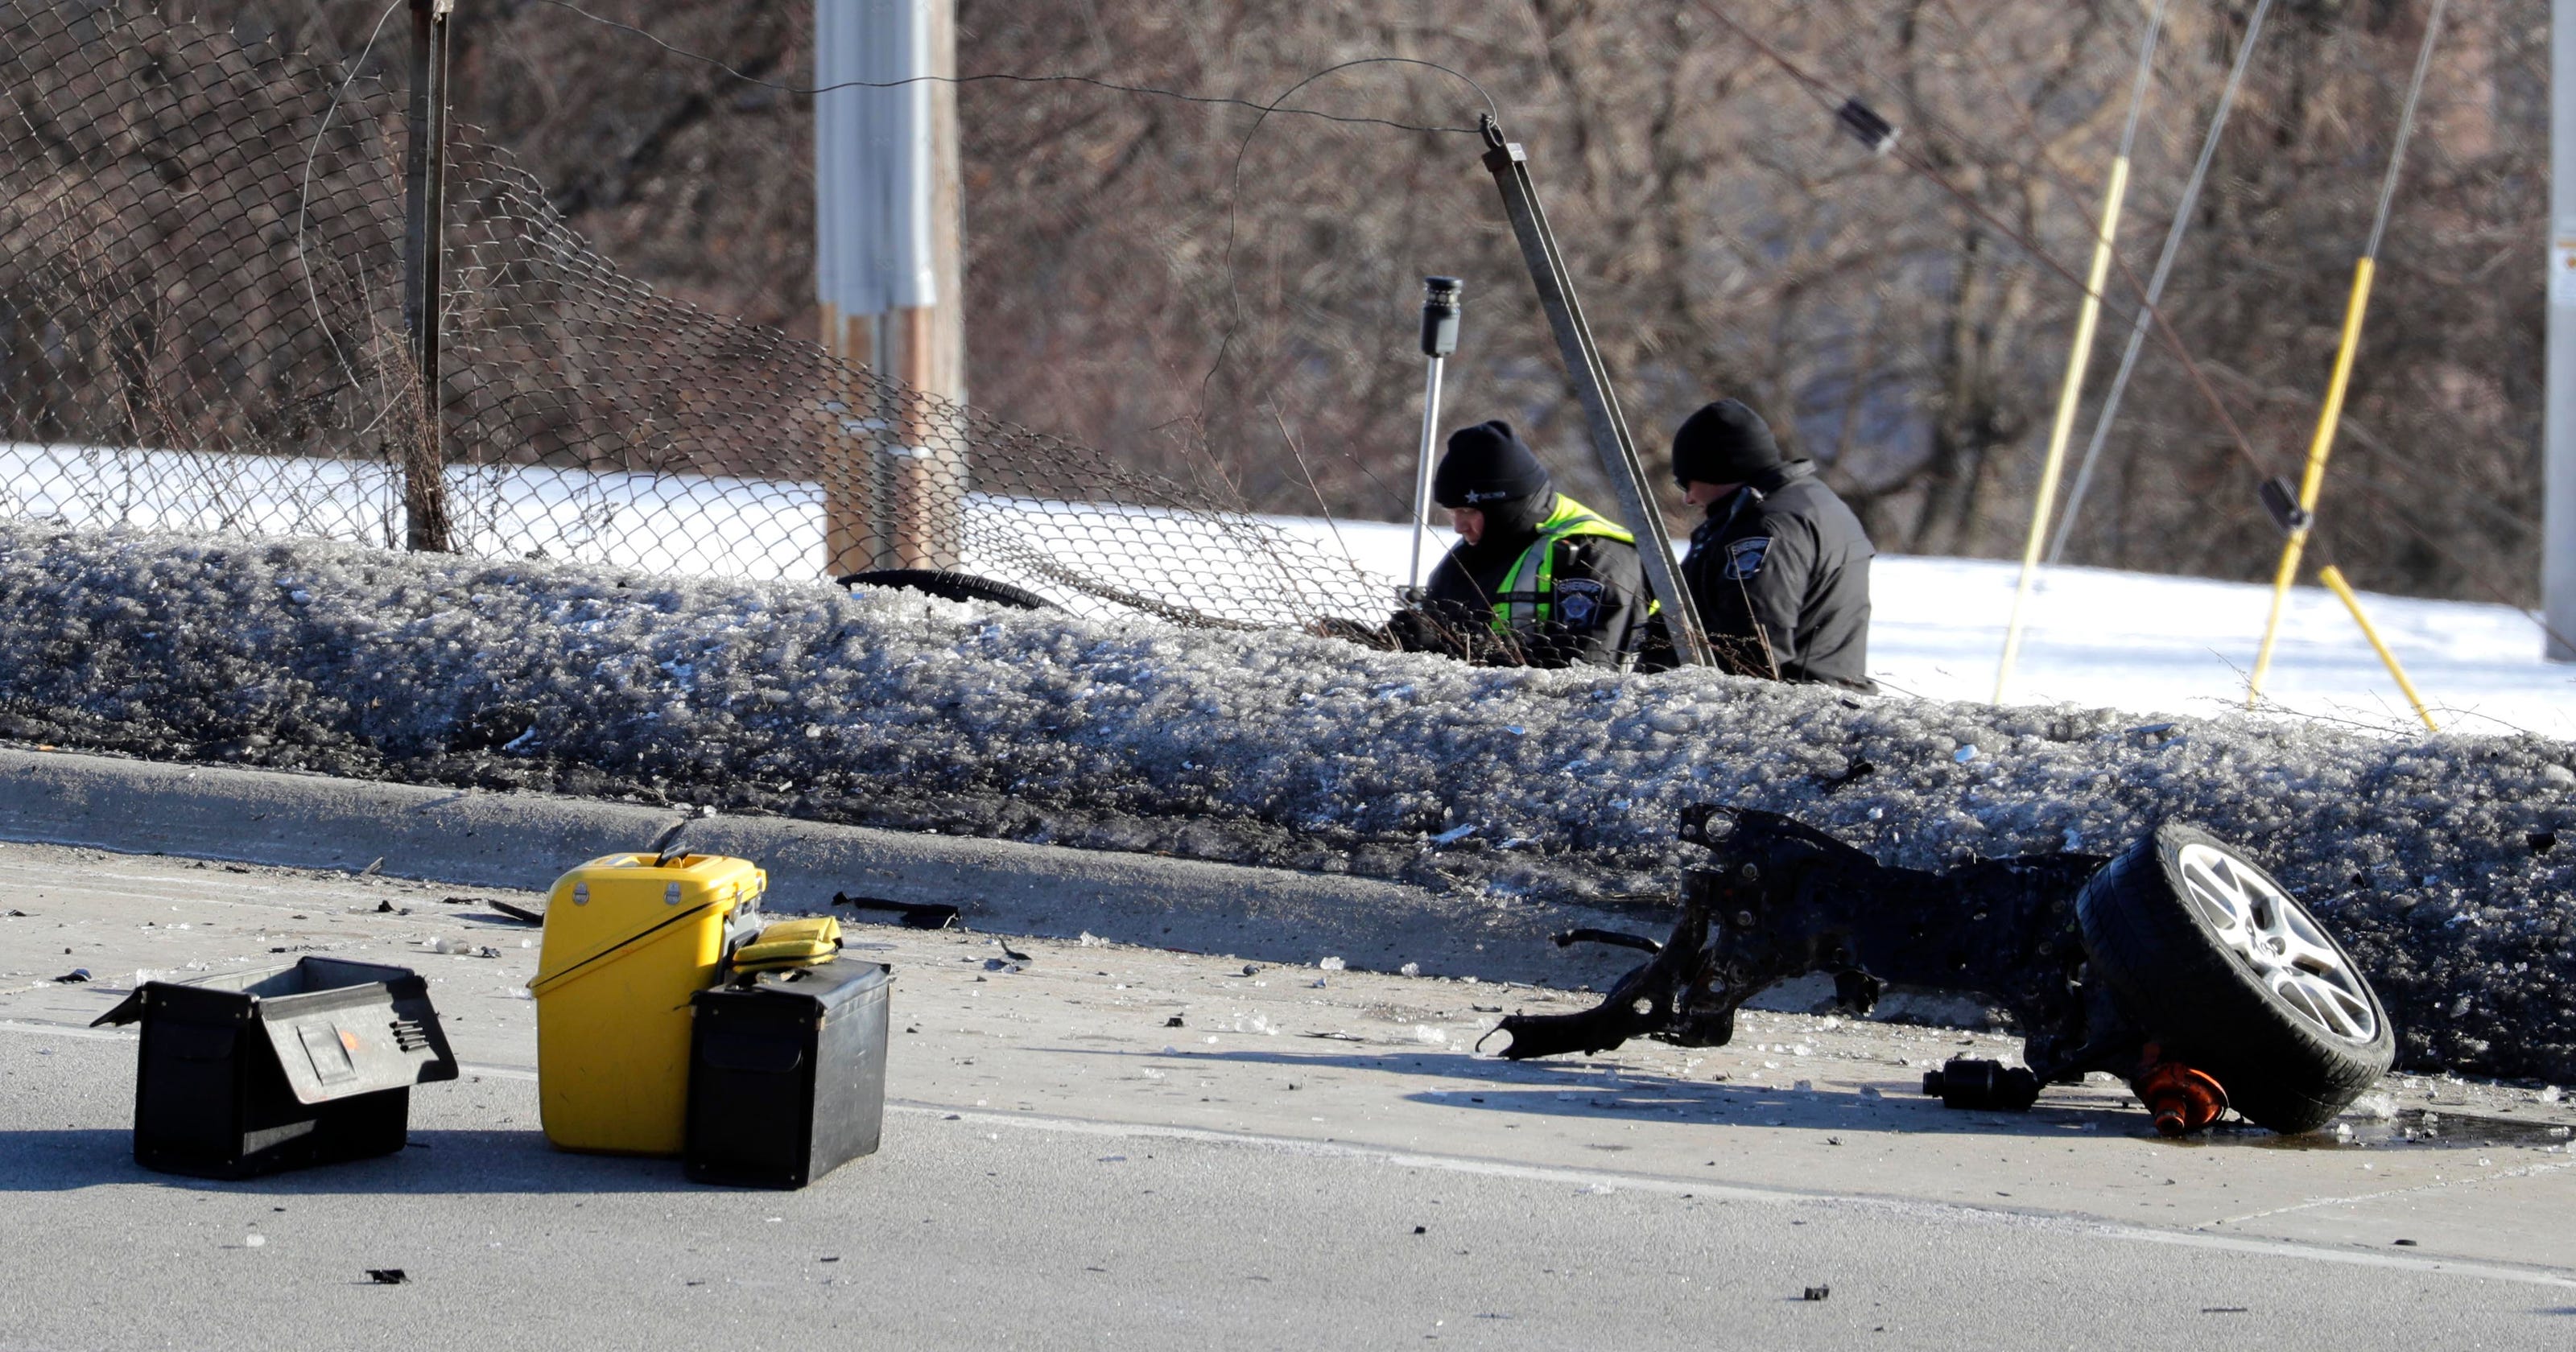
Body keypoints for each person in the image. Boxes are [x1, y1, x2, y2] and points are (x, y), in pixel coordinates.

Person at [1390, 419, 1653, 670]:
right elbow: (1436, 639)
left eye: (1468, 511)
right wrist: (1407, 640)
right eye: (1452, 513)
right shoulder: (1471, 555)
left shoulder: (1594, 554)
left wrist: (1464, 650)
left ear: (1506, 506)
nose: (1459, 526)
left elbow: (1582, 674)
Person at [1669, 398, 1876, 690]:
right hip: (1823, 705)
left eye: (1685, 483)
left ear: (1717, 472)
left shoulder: (1765, 528)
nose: (1688, 499)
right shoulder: (1814, 501)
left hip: (1783, 717)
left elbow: (1752, 647)